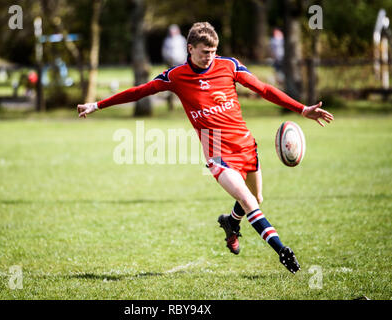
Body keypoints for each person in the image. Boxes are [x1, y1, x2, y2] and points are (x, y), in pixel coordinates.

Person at [77, 22, 334, 274]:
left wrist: (302, 109)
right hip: (217, 153)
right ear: (190, 49)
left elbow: (264, 89)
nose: (209, 57)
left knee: (256, 199)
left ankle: (230, 223)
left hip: (246, 145)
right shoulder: (176, 76)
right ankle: (281, 250)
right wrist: (97, 105)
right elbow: (139, 91)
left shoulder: (229, 66)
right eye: (203, 52)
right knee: (246, 200)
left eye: (213, 52)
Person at [161, 24, 187, 110]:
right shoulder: (167, 40)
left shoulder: (182, 39)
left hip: (181, 63)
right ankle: (170, 103)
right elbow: (164, 52)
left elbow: (185, 51)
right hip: (171, 64)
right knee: (170, 83)